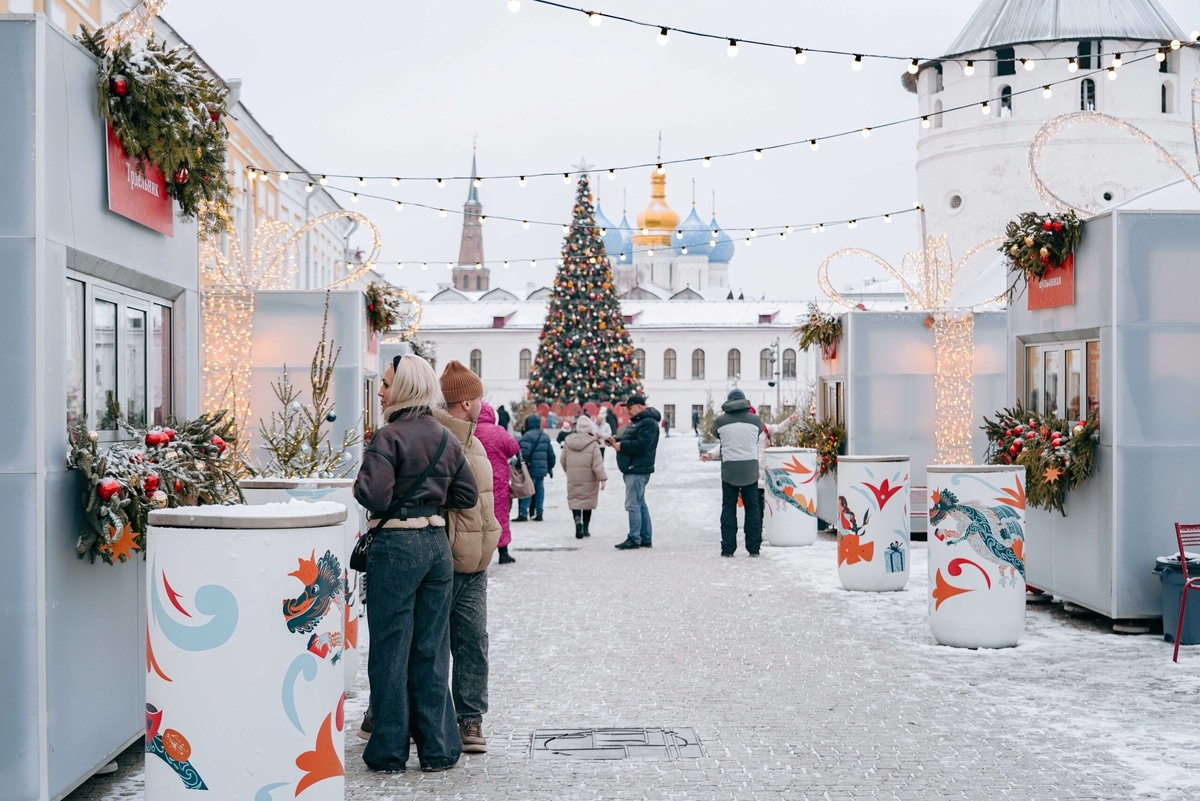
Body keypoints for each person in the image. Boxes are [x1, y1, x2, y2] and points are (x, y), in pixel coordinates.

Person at [354, 354, 477, 773]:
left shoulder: (388, 437)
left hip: (395, 547)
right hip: (435, 547)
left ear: (403, 387)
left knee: (390, 649)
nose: (382, 390)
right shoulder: (445, 436)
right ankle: (438, 748)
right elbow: (467, 496)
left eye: (386, 383)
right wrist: (431, 497)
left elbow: (372, 495)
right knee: (431, 648)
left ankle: (389, 750)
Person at [432, 360, 503, 755]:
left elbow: (483, 503)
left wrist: (490, 537)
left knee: (474, 641)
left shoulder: (474, 440)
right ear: (465, 402)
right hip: (447, 560)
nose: (481, 401)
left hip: (476, 563)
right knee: (436, 643)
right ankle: (434, 717)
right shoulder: (441, 440)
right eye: (477, 396)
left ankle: (470, 718)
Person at [704, 408, 800, 535]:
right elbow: (724, 446)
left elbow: (778, 428)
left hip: (761, 473)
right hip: (750, 474)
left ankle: (757, 532)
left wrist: (790, 421)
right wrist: (710, 454)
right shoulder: (743, 432)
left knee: (757, 505)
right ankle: (756, 532)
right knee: (755, 505)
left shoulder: (763, 428)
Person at [708, 388, 764, 557]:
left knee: (728, 508)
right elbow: (759, 433)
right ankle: (753, 547)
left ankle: (728, 548)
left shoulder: (720, 421)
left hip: (729, 469)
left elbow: (715, 433)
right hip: (750, 469)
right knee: (753, 508)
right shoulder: (755, 421)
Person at [609, 394, 661, 550]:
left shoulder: (648, 423)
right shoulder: (639, 422)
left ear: (639, 406)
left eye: (630, 408)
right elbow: (633, 439)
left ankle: (634, 537)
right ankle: (644, 537)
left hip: (637, 468)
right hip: (634, 467)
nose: (628, 412)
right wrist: (616, 441)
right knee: (640, 503)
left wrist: (621, 446)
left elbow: (642, 444)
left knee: (633, 504)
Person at [475, 402, 520, 565]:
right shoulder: (498, 431)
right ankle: (503, 552)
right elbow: (514, 447)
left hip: (476, 480)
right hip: (498, 480)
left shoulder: (470, 431)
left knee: (477, 517)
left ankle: (478, 554)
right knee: (500, 515)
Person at [561, 414, 607, 539]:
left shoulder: (568, 441)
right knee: (587, 502)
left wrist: (569, 470)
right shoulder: (593, 443)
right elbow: (597, 463)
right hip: (589, 478)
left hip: (573, 476)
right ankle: (585, 528)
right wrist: (602, 477)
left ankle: (577, 520)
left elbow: (562, 459)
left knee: (575, 500)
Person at [515, 413, 555, 522]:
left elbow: (523, 453)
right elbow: (551, 455)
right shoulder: (545, 436)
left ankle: (523, 512)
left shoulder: (527, 436)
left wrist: (519, 464)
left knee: (527, 489)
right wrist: (550, 467)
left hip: (530, 468)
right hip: (541, 469)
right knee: (540, 489)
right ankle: (539, 512)